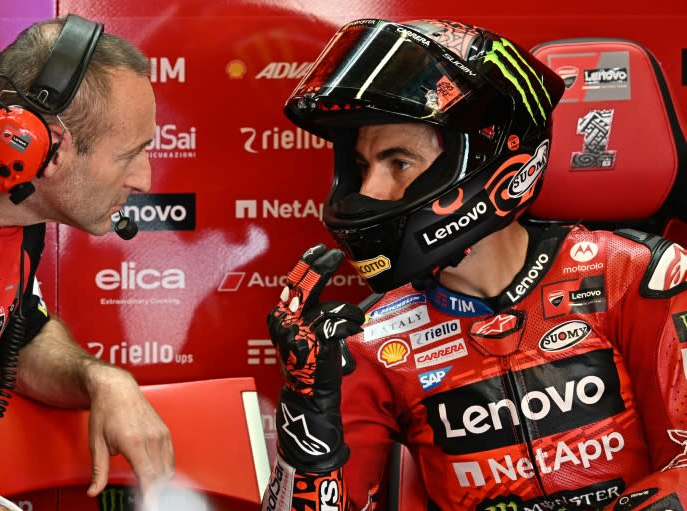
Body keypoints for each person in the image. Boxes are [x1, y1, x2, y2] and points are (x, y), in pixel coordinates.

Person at [262, 18, 687, 511]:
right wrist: (307, 435)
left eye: (398, 163)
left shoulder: (638, 277)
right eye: (362, 168)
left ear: (490, 162)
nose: (370, 194)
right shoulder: (368, 339)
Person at [0, 14, 174, 503]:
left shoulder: (17, 207)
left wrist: (98, 378)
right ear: (48, 149)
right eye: (129, 155)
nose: (143, 179)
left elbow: (12, 340)